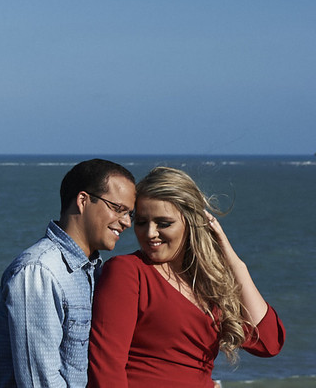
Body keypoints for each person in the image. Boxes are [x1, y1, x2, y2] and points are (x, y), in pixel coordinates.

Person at [88, 166, 285, 387]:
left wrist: (233, 261)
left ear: (189, 223)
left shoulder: (209, 283)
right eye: (142, 222)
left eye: (164, 223)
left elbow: (268, 343)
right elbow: (106, 368)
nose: (150, 233)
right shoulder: (127, 271)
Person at [0, 158, 136, 388]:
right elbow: (38, 382)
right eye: (118, 209)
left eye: (130, 213)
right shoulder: (39, 271)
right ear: (83, 200)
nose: (127, 222)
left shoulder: (93, 272)